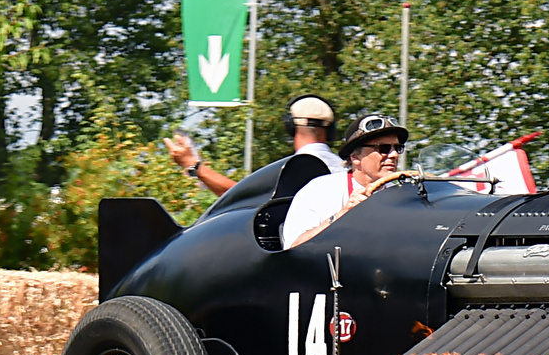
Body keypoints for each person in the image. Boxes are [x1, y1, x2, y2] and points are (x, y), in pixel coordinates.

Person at [165, 94, 344, 196]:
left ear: (290, 126)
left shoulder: (289, 171)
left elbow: (241, 196)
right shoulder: (347, 169)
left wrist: (194, 165)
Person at [281, 113, 408, 250]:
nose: (394, 155)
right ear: (355, 158)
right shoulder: (319, 190)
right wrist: (341, 216)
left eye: (398, 148)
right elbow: (293, 248)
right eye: (383, 149)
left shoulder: (401, 196)